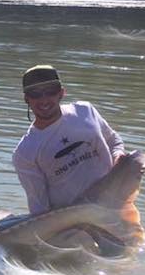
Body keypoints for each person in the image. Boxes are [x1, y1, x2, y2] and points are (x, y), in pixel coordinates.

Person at [11, 65, 126, 217]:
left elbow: (113, 140)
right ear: (26, 99)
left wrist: (118, 155)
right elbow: (39, 207)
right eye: (35, 94)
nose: (44, 99)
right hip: (74, 223)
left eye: (50, 91)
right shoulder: (25, 152)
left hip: (115, 204)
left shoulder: (85, 111)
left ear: (61, 93)